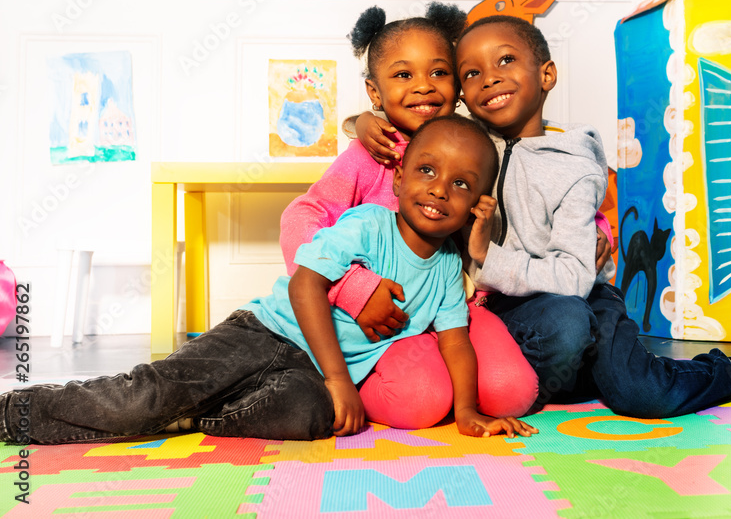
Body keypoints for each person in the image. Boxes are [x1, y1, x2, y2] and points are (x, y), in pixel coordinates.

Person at [0, 116, 537, 445]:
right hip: (264, 334)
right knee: (147, 396)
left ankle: (191, 417)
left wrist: (466, 412)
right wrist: (339, 378)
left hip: (307, 375)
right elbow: (306, 286)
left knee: (313, 419)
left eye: (460, 183)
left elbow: (455, 340)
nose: (440, 189)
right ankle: (13, 413)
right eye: (426, 170)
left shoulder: (446, 268)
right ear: (397, 177)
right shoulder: (368, 225)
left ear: (477, 205)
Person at [361, 14, 731, 417]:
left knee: (641, 393)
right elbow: (412, 120)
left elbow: (574, 277)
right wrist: (364, 120)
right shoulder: (469, 145)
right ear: (462, 93)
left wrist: (485, 255)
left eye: (506, 61)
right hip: (504, 306)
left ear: (547, 74)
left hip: (581, 295)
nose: (489, 79)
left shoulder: (573, 165)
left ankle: (729, 373)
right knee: (546, 363)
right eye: (472, 73)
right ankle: (582, 368)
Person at [280, 4, 538, 427]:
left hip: (455, 307)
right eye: (404, 75)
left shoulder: (478, 141)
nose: (423, 87)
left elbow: (537, 175)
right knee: (419, 402)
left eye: (438, 73)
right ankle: (356, 378)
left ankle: (445, 379)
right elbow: (301, 218)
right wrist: (353, 288)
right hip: (388, 317)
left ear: (457, 84)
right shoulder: (369, 155)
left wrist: (597, 224)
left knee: (513, 393)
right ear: (375, 93)